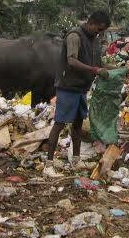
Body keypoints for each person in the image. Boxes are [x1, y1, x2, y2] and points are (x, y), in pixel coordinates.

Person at [44, 10, 111, 177]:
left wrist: (118, 70)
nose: (100, 33)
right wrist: (95, 70)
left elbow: (100, 64)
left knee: (78, 124)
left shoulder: (94, 41)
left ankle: (76, 160)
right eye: (99, 29)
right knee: (59, 124)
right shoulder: (74, 36)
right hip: (68, 86)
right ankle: (48, 165)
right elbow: (72, 61)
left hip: (81, 88)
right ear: (92, 23)